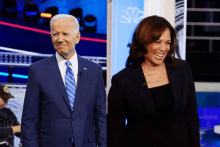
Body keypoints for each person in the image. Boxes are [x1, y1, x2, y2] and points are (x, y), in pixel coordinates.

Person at [107, 15, 200, 147]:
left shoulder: (182, 69)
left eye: (167, 43)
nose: (163, 49)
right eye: (157, 42)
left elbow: (192, 118)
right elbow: (115, 132)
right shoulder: (123, 81)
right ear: (143, 42)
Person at [21, 14, 106, 147]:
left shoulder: (94, 71)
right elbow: (29, 120)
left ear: (77, 37)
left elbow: (101, 117)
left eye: (65, 34)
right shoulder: (38, 70)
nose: (60, 39)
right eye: (55, 34)